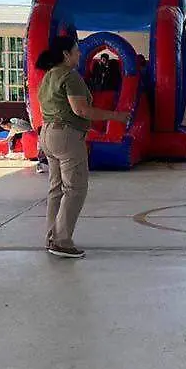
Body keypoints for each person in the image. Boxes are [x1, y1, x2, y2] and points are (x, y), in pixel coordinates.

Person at [36, 34, 129, 258]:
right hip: (67, 135)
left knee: (56, 188)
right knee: (75, 188)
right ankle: (62, 241)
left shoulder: (48, 76)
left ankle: (52, 236)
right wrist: (116, 116)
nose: (79, 54)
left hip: (47, 133)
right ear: (66, 54)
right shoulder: (70, 76)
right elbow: (81, 110)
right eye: (76, 50)